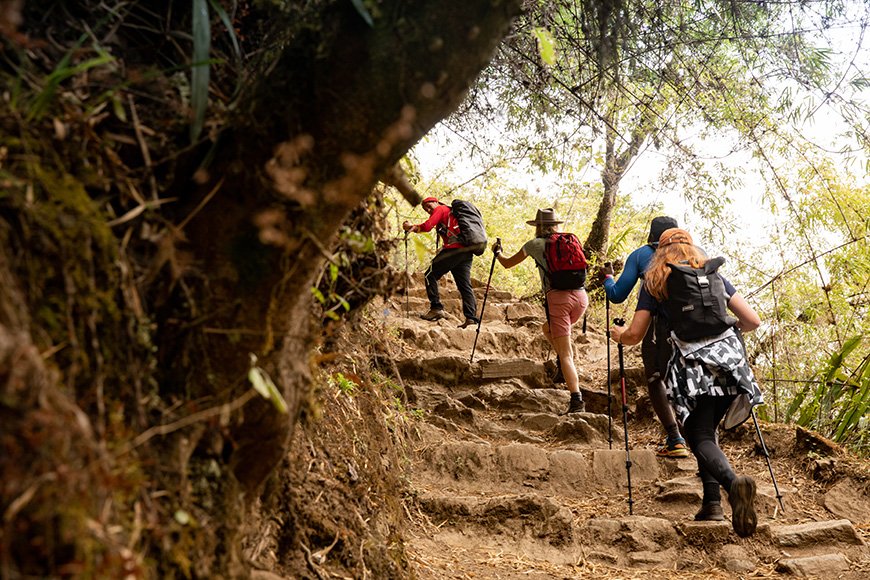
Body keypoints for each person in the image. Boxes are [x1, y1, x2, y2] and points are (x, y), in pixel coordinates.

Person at [609, 228, 763, 536]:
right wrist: (722, 340)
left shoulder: (656, 279)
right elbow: (752, 321)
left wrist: (619, 335)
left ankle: (733, 486)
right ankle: (711, 505)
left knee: (697, 435)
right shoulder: (714, 276)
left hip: (693, 368)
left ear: (660, 251)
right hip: (731, 363)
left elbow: (636, 333)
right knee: (706, 431)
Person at [600, 216, 689, 458]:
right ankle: (699, 438)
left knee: (655, 377)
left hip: (658, 326)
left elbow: (617, 295)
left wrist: (608, 278)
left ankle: (675, 437)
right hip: (695, 327)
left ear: (653, 236)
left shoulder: (641, 255)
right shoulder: (692, 254)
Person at [492, 208, 589, 414]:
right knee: (548, 329)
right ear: (555, 226)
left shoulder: (534, 245)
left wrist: (498, 253)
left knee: (566, 353)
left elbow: (508, 264)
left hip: (559, 299)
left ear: (538, 227)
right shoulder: (570, 240)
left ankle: (576, 400)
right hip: (581, 298)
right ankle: (564, 368)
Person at [403, 197, 479, 328]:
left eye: (428, 205)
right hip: (466, 252)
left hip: (454, 250)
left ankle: (436, 308)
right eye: (425, 208)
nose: (428, 209)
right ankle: (471, 317)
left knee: (429, 275)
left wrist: (411, 227)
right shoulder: (450, 213)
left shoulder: (440, 209)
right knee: (464, 285)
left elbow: (427, 227)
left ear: (436, 202)